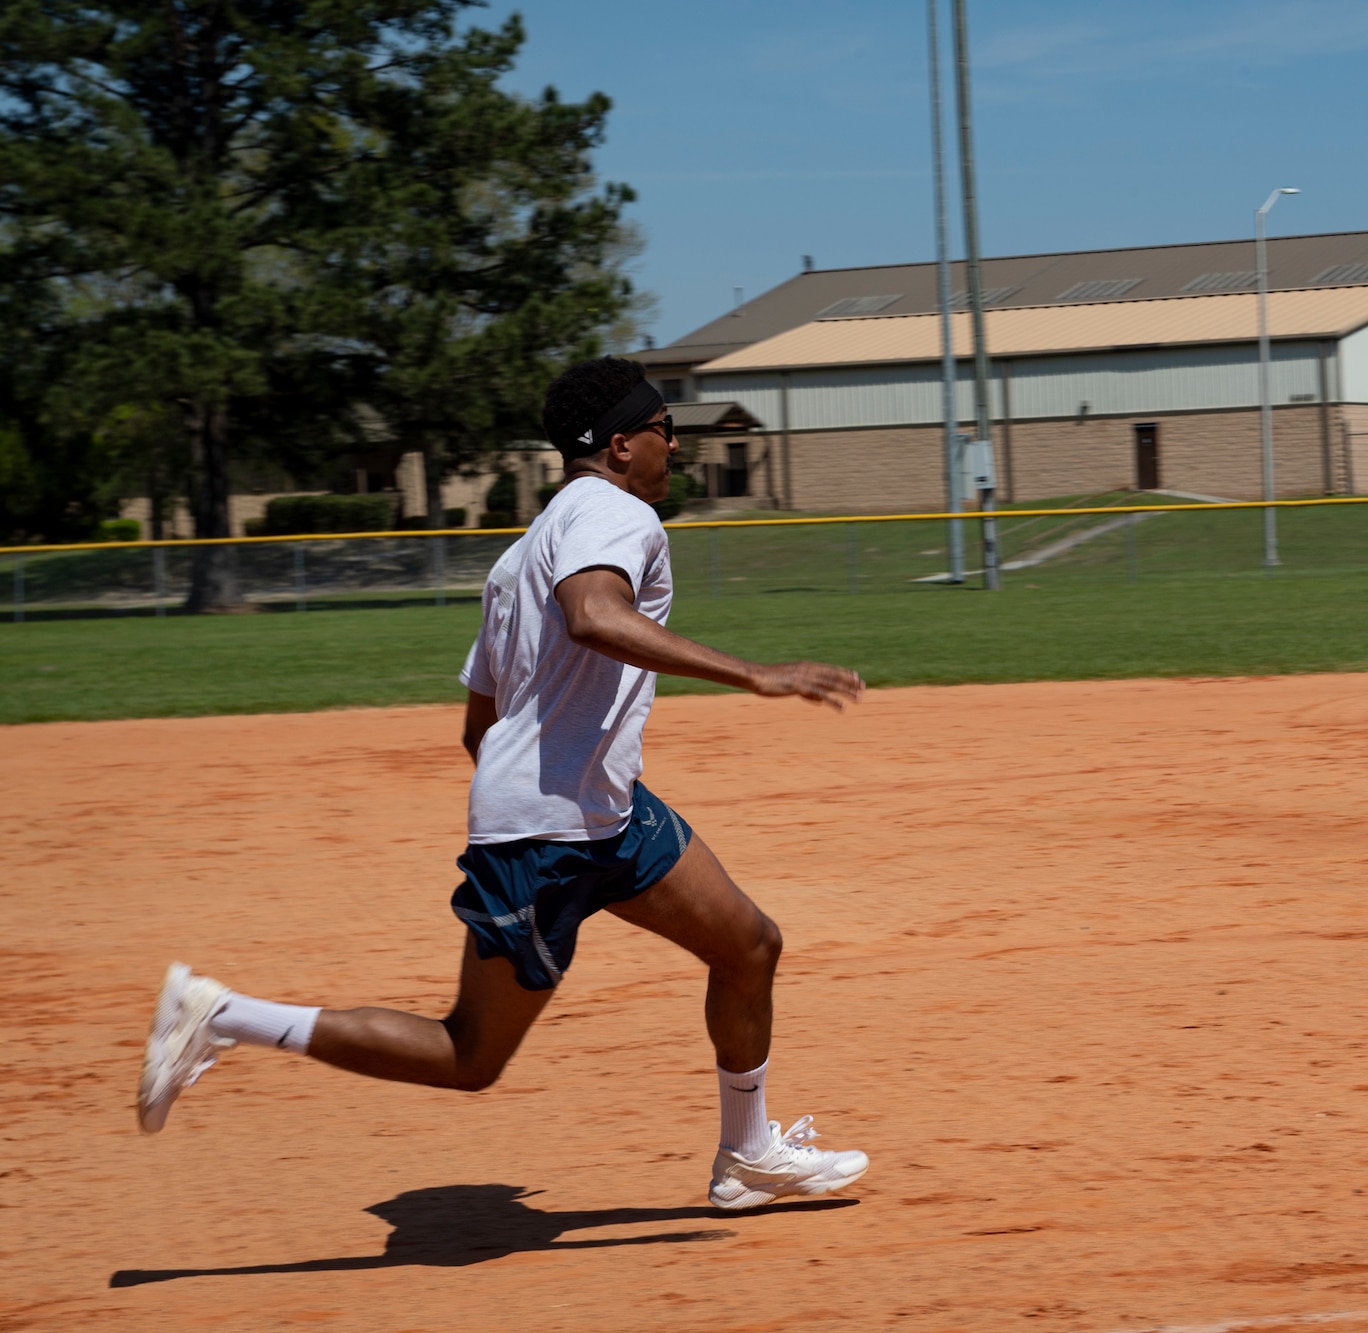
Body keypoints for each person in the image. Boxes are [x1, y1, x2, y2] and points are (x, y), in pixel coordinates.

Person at [138, 358, 871, 1211]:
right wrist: (756, 674)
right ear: (622, 444)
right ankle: (220, 1014)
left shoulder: (519, 556)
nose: (676, 442)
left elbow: (478, 727)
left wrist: (556, 773)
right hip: (549, 831)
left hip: (605, 812)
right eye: (664, 427)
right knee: (470, 1055)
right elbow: (594, 615)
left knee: (748, 943)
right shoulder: (614, 512)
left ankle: (746, 1155)